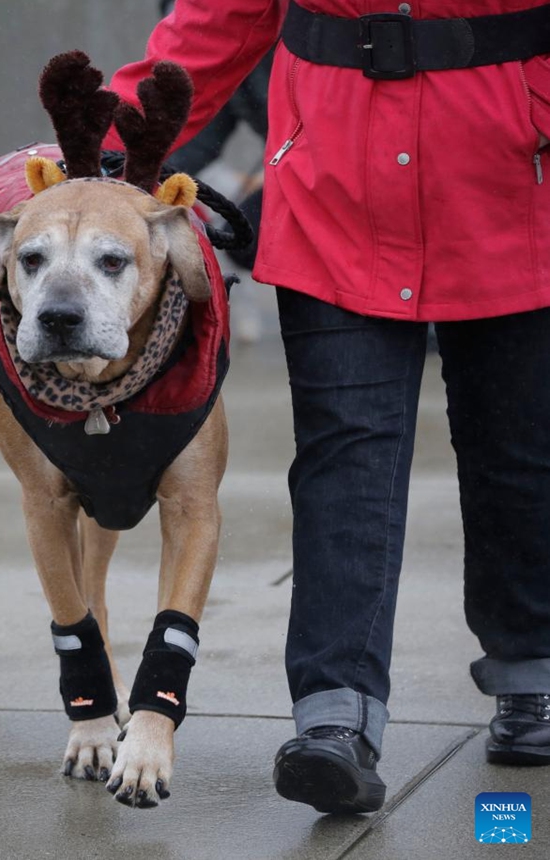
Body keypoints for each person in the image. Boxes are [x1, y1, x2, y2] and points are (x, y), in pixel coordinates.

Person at [103, 0, 550, 814]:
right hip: (337, 184)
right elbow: (220, 17)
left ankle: (534, 676)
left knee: (516, 447)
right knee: (346, 453)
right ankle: (334, 718)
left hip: (512, 175)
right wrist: (108, 146)